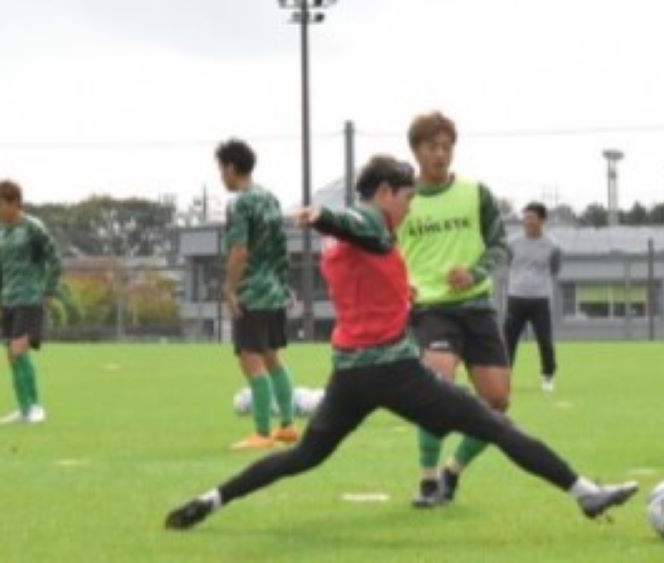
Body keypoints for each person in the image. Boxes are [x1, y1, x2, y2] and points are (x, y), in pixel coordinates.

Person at [164, 155, 638, 530]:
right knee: (496, 424)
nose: (410, 208)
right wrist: (324, 215)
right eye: (407, 198)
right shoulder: (368, 222)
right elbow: (359, 224)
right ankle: (584, 494)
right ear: (385, 193)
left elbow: (363, 263)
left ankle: (212, 500)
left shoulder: (348, 245)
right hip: (395, 372)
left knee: (302, 457)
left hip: (350, 374)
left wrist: (399, 292)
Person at [396, 112, 511, 507]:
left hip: (477, 306)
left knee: (497, 402)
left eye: (447, 147)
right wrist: (400, 286)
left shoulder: (476, 193)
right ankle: (427, 480)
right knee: (437, 383)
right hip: (431, 309)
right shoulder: (402, 198)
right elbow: (385, 251)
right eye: (432, 147)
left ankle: (452, 473)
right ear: (416, 151)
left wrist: (475, 271)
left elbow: (499, 244)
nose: (441, 154)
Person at [216, 139, 298, 450]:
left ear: (231, 168)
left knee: (250, 359)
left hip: (252, 292)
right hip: (274, 290)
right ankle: (288, 426)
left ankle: (262, 433)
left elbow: (239, 250)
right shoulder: (271, 199)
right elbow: (281, 246)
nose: (221, 176)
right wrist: (283, 285)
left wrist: (230, 289)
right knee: (272, 357)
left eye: (221, 169)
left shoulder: (241, 203)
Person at [0, 180, 61, 425]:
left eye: (0, 204)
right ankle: (23, 408)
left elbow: (55, 260)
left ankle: (36, 406)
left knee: (19, 348)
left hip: (30, 297)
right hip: (8, 300)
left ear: (15, 203)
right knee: (11, 354)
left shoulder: (33, 228)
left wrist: (48, 292)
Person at [504, 202, 562, 392]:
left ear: (542, 220)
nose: (527, 222)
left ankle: (548, 375)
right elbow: (508, 262)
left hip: (540, 298)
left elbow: (555, 269)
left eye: (532, 218)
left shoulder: (552, 246)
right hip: (516, 297)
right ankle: (504, 376)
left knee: (544, 339)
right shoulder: (512, 243)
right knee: (508, 340)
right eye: (525, 218)